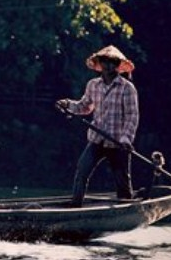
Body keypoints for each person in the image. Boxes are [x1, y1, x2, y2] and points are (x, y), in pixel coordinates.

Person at [56, 45, 139, 207]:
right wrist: (67, 104)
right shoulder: (93, 85)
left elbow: (132, 116)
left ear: (117, 65)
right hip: (97, 139)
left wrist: (126, 139)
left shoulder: (127, 88)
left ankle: (125, 210)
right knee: (82, 170)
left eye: (112, 62)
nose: (108, 66)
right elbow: (84, 106)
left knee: (122, 179)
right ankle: (75, 206)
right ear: (99, 64)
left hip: (118, 143)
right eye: (105, 62)